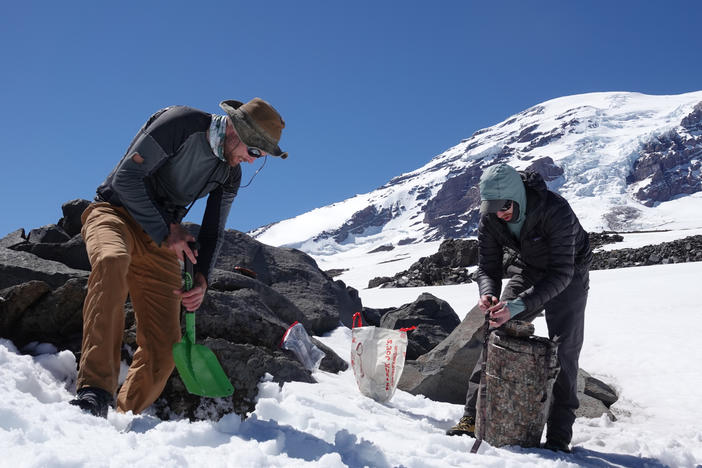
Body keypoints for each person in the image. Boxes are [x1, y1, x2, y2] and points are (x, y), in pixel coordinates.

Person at [69, 98, 288, 417]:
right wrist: (167, 231)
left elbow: (213, 232)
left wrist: (202, 278)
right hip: (114, 213)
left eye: (261, 157)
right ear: (236, 131)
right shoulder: (181, 123)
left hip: (161, 239)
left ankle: (122, 414)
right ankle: (94, 393)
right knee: (112, 260)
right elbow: (126, 180)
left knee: (165, 345)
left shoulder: (231, 174)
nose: (252, 161)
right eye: (254, 151)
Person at [446, 163, 592, 453]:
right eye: (493, 208)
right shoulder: (490, 218)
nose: (500, 214)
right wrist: (488, 295)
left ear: (518, 196)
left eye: (505, 207)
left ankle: (558, 438)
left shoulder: (555, 209)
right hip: (528, 268)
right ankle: (473, 418)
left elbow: (562, 273)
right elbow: (487, 267)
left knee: (564, 349)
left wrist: (517, 305)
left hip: (570, 274)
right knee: (494, 330)